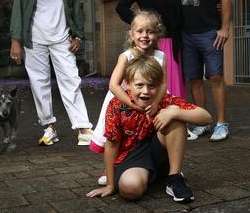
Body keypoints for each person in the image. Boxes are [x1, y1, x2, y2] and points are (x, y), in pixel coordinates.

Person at [9, 0, 93, 147]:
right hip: (33, 39)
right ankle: (49, 127)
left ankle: (83, 127)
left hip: (61, 37)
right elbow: (18, 8)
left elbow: (75, 8)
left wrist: (78, 36)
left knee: (71, 79)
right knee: (39, 84)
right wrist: (15, 41)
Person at [86, 55, 212, 203]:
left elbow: (207, 118)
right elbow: (111, 144)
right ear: (128, 84)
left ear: (158, 86)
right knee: (130, 189)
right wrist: (110, 185)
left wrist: (174, 112)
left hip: (158, 150)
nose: (145, 91)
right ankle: (154, 176)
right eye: (139, 85)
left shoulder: (165, 100)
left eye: (151, 86)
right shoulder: (116, 104)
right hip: (131, 157)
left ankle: (174, 177)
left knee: (175, 118)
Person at [90, 10, 168, 185]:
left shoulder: (160, 57)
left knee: (159, 130)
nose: (145, 36)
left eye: (150, 31)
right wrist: (131, 104)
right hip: (124, 101)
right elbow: (114, 85)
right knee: (118, 135)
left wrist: (156, 103)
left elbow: (163, 83)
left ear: (157, 34)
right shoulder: (126, 56)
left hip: (151, 100)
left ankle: (166, 165)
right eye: (140, 31)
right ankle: (113, 167)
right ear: (132, 34)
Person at [175, 0, 232, 142]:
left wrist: (224, 28)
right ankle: (201, 124)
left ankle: (221, 123)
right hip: (186, 33)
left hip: (210, 31)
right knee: (195, 80)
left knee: (216, 77)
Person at [116, 0, 186, 98]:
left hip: (173, 44)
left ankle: (172, 120)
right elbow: (121, 7)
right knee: (151, 85)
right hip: (151, 44)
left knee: (173, 89)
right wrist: (141, 26)